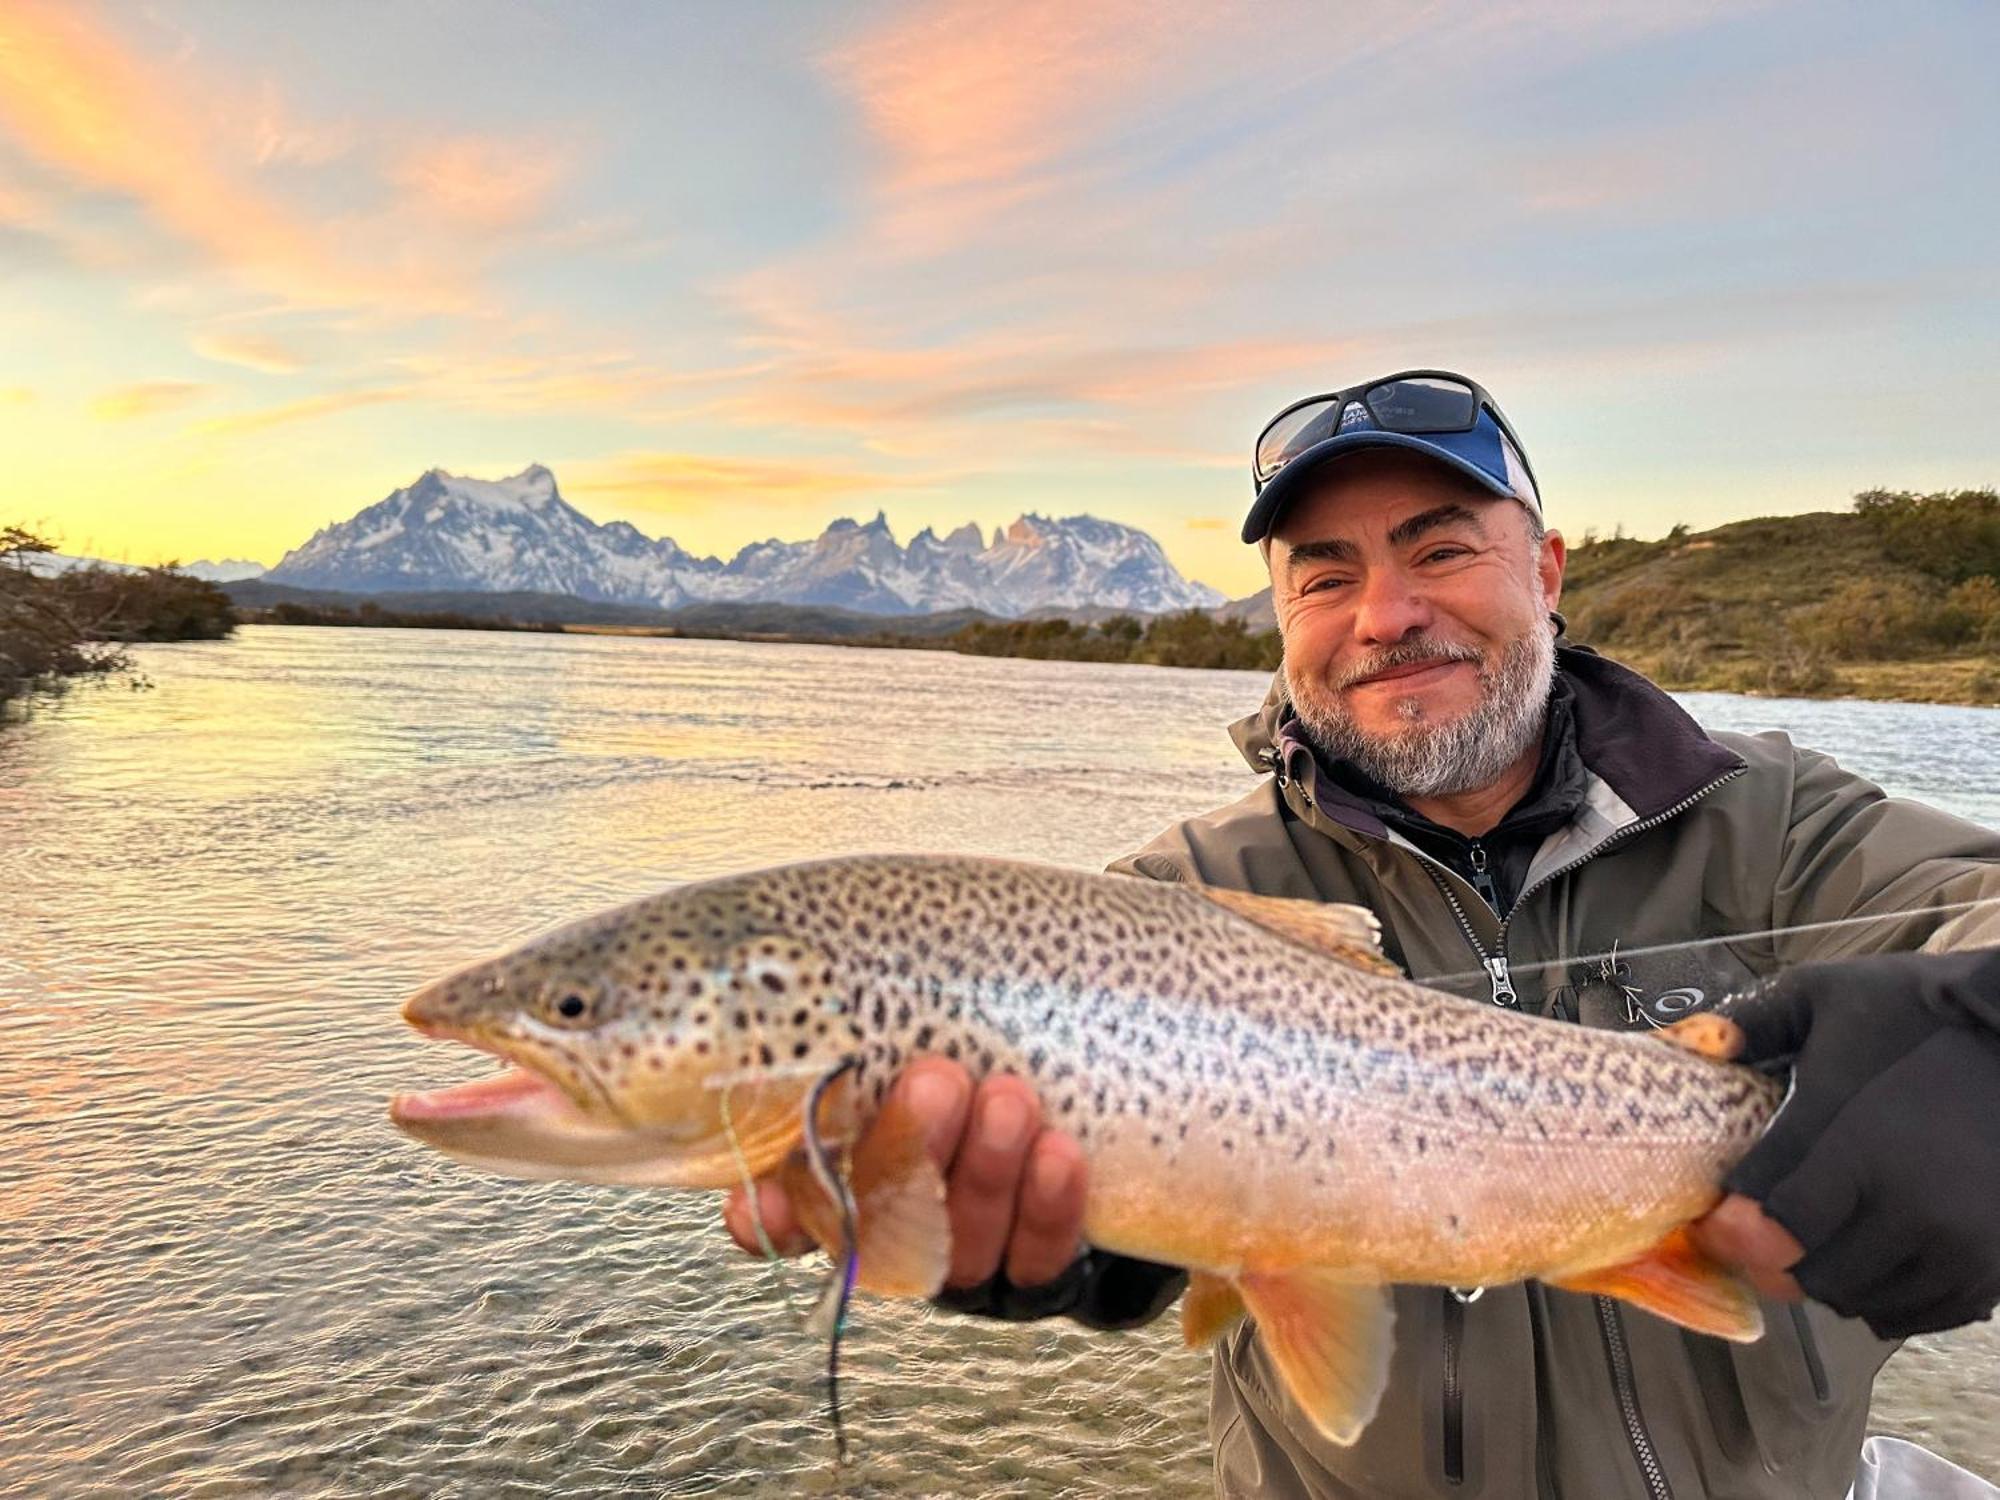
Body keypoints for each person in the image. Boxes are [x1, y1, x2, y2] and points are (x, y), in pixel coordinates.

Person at [724, 369, 2000, 1498]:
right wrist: (1080, 1250)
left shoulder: (1772, 821)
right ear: (1281, 622)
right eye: (1324, 575)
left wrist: (1973, 1035)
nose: (1383, 613)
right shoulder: (1177, 898)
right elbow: (1087, 1178)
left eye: (1437, 551)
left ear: (1545, 572)